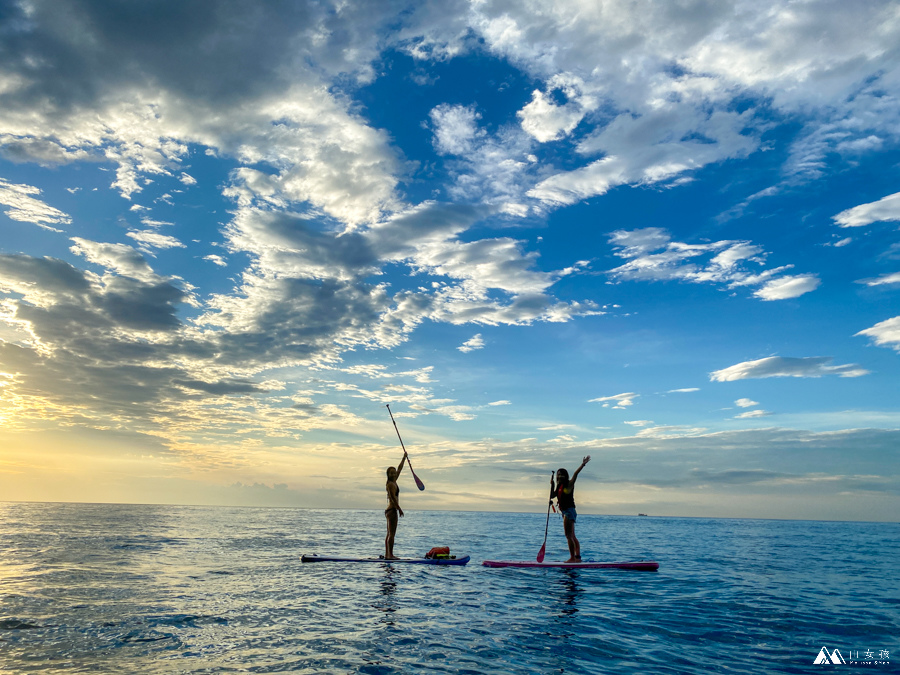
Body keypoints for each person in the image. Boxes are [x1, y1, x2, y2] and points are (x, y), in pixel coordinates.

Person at [551, 455, 591, 562]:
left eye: (561, 474)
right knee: (572, 535)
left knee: (568, 536)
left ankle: (572, 558)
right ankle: (577, 557)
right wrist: (552, 484)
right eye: (558, 475)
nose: (559, 476)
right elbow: (552, 495)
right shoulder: (559, 486)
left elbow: (575, 474)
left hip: (569, 511)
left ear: (565, 475)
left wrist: (583, 464)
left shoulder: (569, 484)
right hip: (567, 512)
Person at [384, 450, 408, 560]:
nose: (394, 474)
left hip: (390, 511)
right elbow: (393, 498)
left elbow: (400, 469)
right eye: (391, 473)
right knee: (392, 534)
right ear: (388, 475)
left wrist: (404, 458)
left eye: (394, 472)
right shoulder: (390, 485)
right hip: (392, 510)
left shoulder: (394, 481)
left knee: (389, 533)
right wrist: (400, 509)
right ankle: (390, 555)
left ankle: (387, 554)